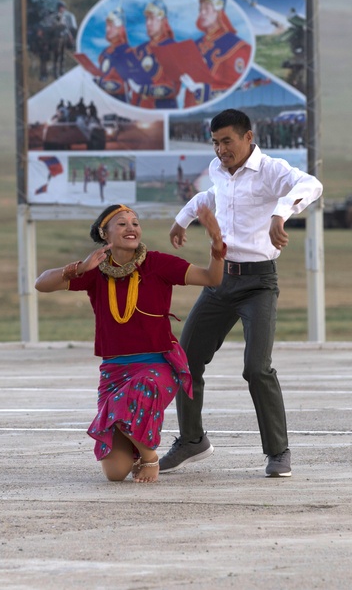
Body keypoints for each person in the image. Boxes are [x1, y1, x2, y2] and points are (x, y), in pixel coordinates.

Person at [160, 108, 323, 478]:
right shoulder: (220, 170)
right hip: (220, 281)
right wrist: (182, 219)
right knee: (185, 361)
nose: (220, 150)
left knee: (256, 368)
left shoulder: (271, 170)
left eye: (227, 141)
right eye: (215, 143)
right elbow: (212, 196)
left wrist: (279, 215)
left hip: (258, 283)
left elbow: (312, 185)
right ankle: (191, 440)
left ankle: (278, 452)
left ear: (249, 137)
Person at [34, 203, 226, 483]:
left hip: (157, 367)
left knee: (138, 390)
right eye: (122, 223)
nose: (131, 228)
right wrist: (78, 268)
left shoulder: (158, 263)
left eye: (135, 223)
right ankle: (136, 442)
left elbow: (212, 278)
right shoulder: (95, 269)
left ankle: (150, 457)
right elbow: (41, 283)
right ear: (105, 233)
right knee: (115, 473)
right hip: (114, 371)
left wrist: (217, 245)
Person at [181, 0, 252, 106]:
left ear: (218, 11)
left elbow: (235, 90)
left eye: (207, 8)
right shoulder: (195, 45)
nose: (202, 13)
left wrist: (203, 90)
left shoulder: (236, 47)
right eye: (200, 9)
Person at [128, 0, 180, 109]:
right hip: (139, 110)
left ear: (163, 21)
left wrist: (143, 89)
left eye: (152, 18)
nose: (148, 23)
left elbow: (172, 89)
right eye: (147, 19)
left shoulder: (172, 48)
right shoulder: (140, 49)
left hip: (162, 111)